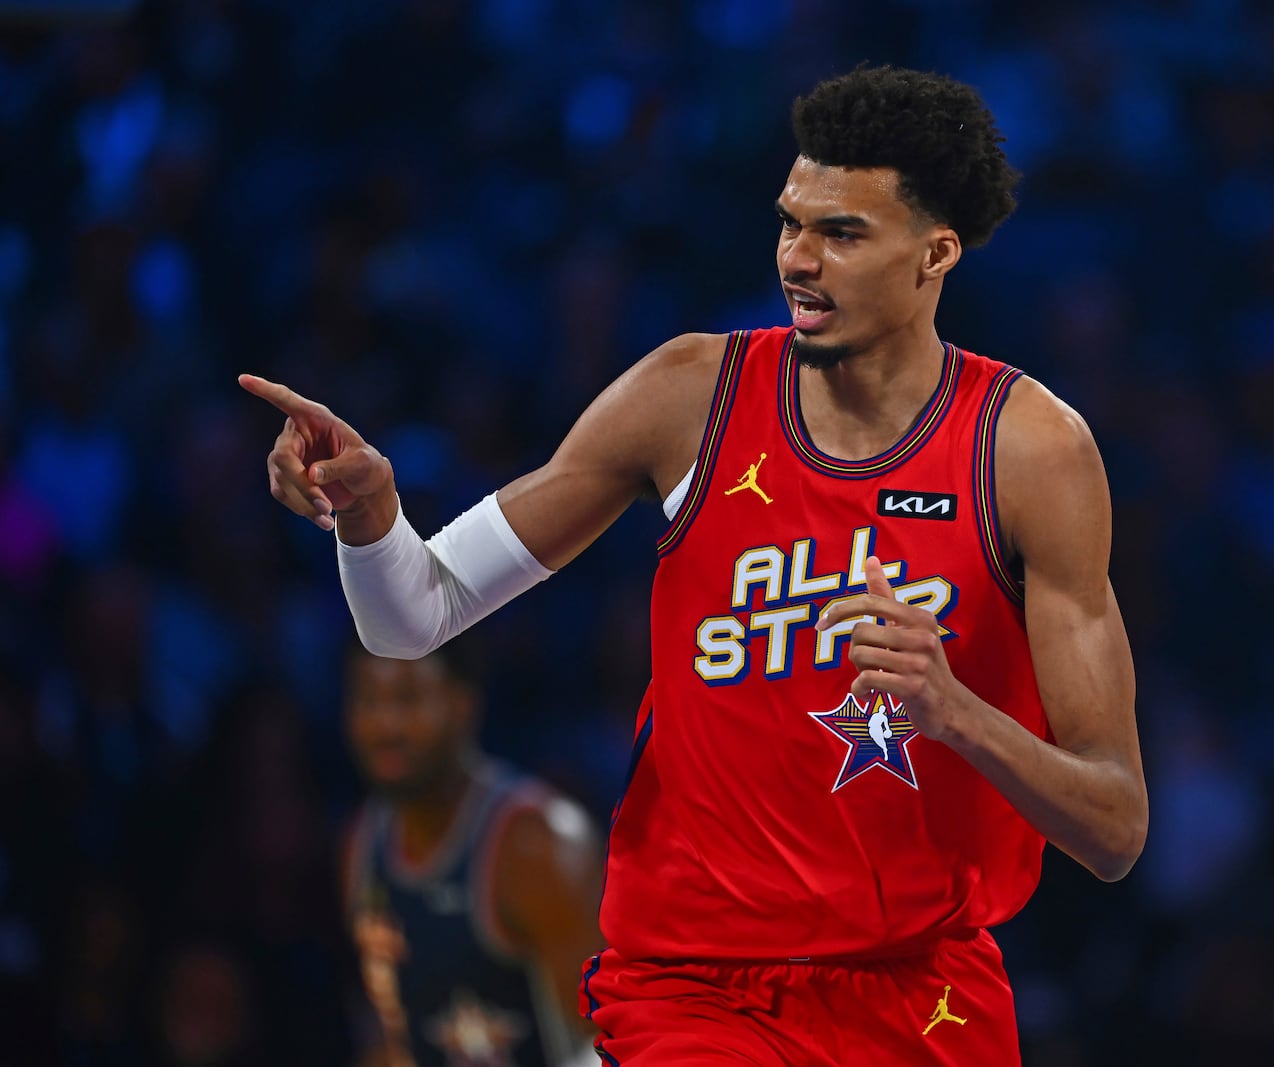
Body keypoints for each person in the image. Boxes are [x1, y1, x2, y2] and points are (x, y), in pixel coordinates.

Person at [244, 64, 1148, 1066]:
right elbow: (414, 615)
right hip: (693, 989)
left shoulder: (1029, 452)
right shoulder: (688, 396)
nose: (797, 260)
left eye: (840, 233)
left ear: (936, 251)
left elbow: (1113, 824)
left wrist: (956, 710)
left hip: (923, 989)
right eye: (789, 223)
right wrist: (371, 525)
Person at [341, 640, 602, 1067]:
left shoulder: (539, 843)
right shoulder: (360, 845)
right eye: (368, 700)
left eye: (407, 699)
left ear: (462, 704)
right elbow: (396, 1037)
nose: (385, 724)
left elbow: (619, 1039)